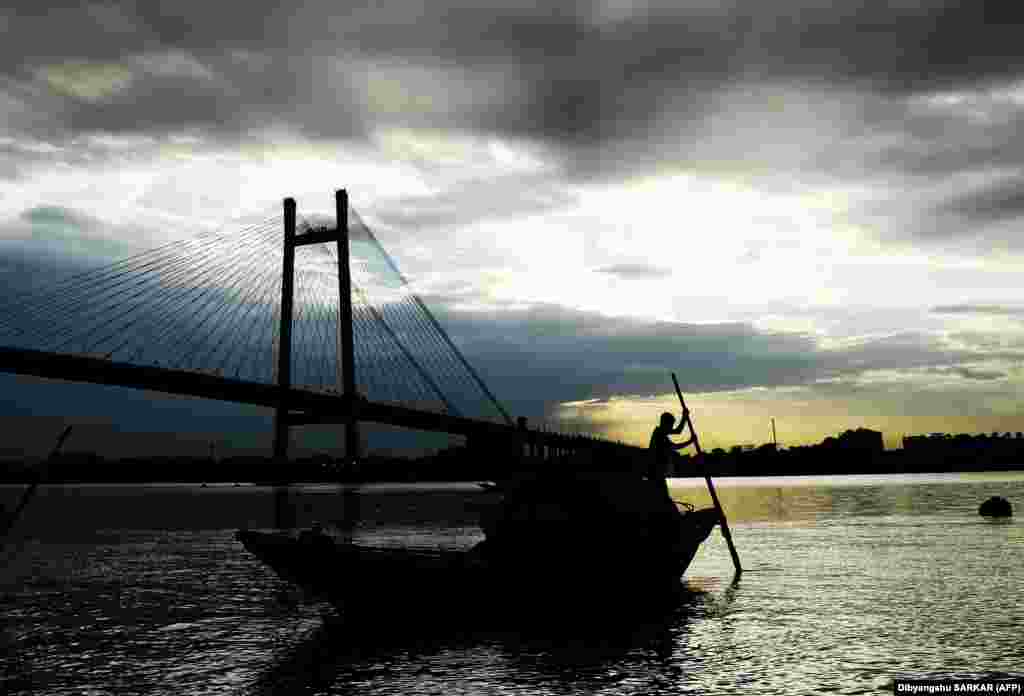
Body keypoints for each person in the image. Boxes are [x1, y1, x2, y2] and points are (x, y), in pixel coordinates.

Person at [647, 410, 695, 509]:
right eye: (671, 425)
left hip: (658, 473)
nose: (671, 428)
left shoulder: (661, 432)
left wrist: (684, 417)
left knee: (664, 498)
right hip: (655, 473)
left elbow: (678, 431)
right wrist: (690, 441)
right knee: (664, 499)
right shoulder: (659, 435)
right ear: (665, 423)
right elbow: (675, 446)